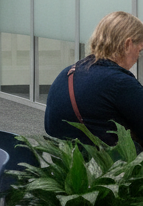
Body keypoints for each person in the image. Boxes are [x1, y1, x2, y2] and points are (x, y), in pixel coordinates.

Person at [45, 11, 143, 147]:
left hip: (66, 162)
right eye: (139, 50)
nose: (137, 58)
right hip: (108, 164)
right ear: (127, 44)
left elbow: (50, 126)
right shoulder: (119, 82)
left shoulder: (68, 72)